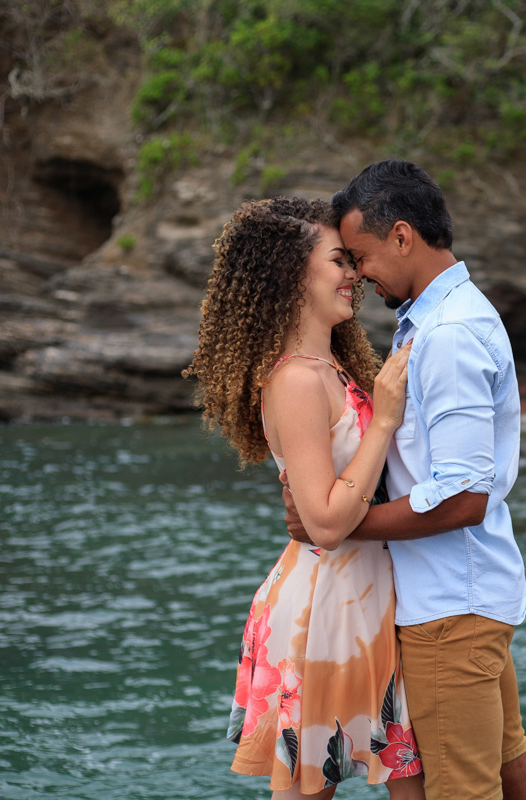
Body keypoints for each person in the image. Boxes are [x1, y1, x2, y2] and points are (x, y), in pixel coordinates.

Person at [281, 160, 526, 800]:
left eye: (363, 256)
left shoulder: (449, 335)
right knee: (511, 763)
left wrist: (341, 526)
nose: (359, 274)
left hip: (449, 606)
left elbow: (463, 496)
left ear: (403, 237)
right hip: (469, 590)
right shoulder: (440, 320)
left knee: (461, 790)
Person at [183, 196, 426, 800]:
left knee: (408, 777)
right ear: (292, 274)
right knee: (307, 791)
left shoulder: (332, 369)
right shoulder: (294, 380)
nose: (355, 274)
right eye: (340, 260)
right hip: (323, 607)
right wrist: (385, 420)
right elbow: (323, 522)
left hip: (366, 599)